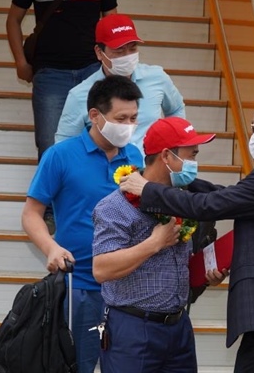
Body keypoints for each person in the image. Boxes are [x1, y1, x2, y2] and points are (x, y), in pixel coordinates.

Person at [120, 95, 254, 373]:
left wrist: (147, 189)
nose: (253, 135)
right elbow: (234, 197)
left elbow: (210, 206)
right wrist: (183, 180)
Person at [21, 75, 144, 373]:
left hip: (128, 287)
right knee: (77, 365)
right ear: (95, 115)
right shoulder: (60, 156)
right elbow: (31, 214)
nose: (128, 125)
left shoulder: (135, 156)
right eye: (121, 118)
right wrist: (51, 248)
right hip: (80, 286)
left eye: (133, 118)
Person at [92, 116, 226, 373]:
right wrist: (154, 243)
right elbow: (101, 269)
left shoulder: (183, 201)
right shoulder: (115, 206)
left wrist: (207, 274)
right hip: (133, 329)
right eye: (192, 154)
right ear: (166, 156)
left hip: (179, 326)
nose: (195, 163)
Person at [6, 0, 118, 232]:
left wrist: (112, 65)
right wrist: (21, 61)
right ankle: (50, 210)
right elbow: (13, 20)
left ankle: (102, 206)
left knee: (100, 140)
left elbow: (112, 25)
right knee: (49, 143)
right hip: (50, 73)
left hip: (92, 70)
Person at [55, 13, 185, 156]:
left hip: (149, 167)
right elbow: (64, 146)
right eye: (119, 50)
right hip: (105, 168)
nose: (127, 55)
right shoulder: (80, 95)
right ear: (99, 52)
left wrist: (171, 146)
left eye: (132, 49)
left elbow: (176, 109)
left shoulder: (157, 77)